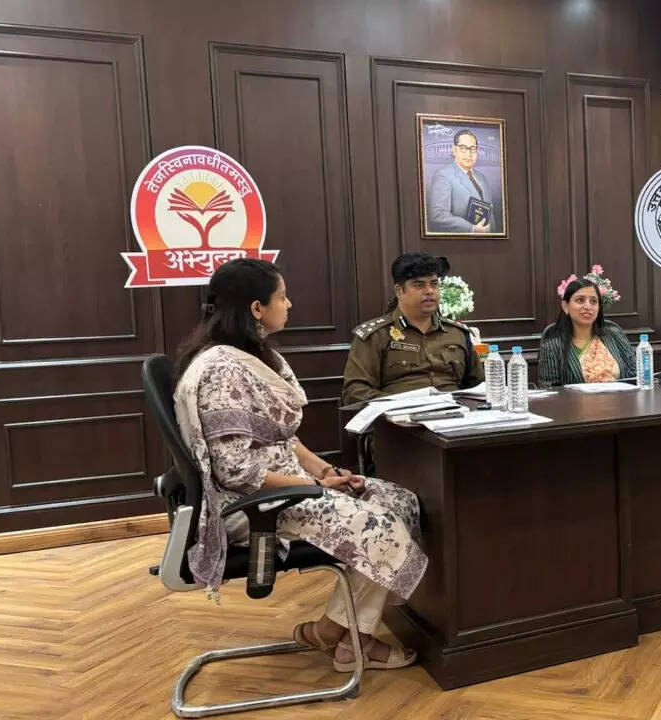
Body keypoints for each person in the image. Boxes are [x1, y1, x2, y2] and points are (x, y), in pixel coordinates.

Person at [173, 258, 427, 673]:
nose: (289, 304)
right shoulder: (221, 370)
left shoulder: (252, 356)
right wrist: (313, 486)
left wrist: (326, 472)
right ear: (257, 309)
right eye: (282, 297)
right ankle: (346, 640)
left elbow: (282, 437)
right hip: (254, 504)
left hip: (292, 485)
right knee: (382, 526)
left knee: (401, 502)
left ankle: (339, 636)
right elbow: (236, 471)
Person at [341, 252, 484, 407]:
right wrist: (399, 406)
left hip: (456, 414)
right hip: (401, 417)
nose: (429, 291)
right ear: (399, 291)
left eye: (434, 284)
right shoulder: (376, 335)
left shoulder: (457, 333)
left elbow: (479, 385)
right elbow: (355, 391)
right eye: (419, 285)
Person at [538, 277, 635, 386]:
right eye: (580, 300)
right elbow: (549, 389)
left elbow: (635, 375)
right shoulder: (553, 347)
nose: (588, 306)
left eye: (593, 301)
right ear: (566, 306)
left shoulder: (614, 334)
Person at [425, 128, 501, 234]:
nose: (469, 153)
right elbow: (438, 216)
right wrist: (472, 229)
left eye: (473, 148)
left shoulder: (482, 178)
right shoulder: (443, 175)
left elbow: (490, 215)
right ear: (454, 150)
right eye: (463, 148)